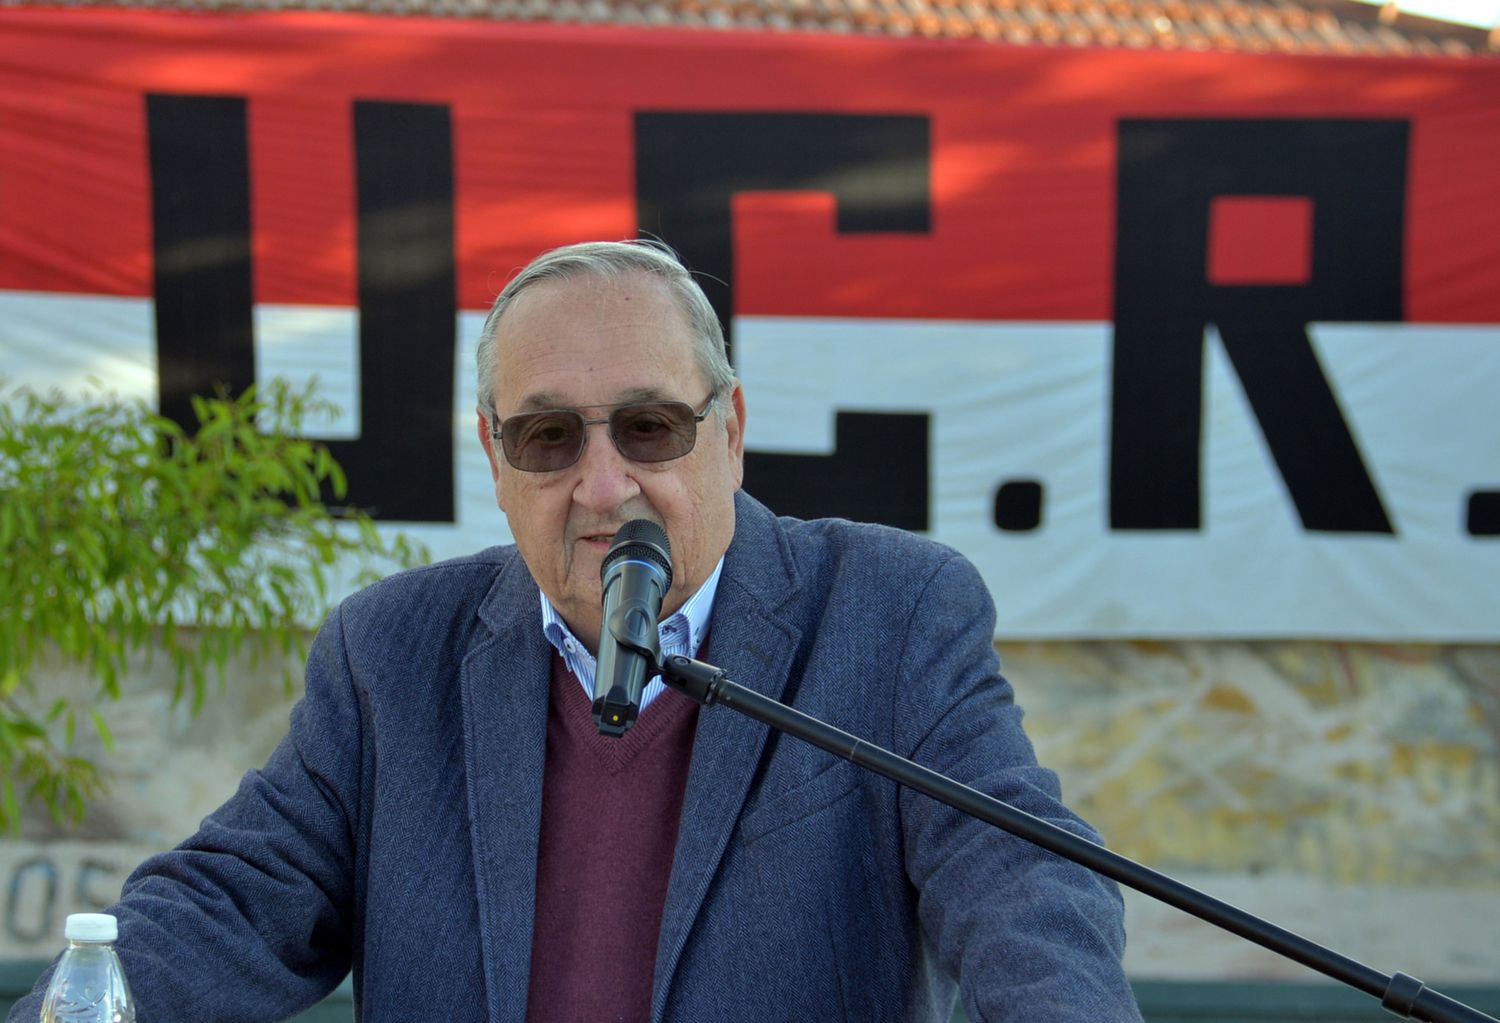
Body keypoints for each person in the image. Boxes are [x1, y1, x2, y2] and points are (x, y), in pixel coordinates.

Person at [9, 240, 1142, 1023]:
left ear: (730, 433)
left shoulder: (892, 613)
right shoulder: (390, 655)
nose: (606, 487)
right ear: (496, 460)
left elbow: (1025, 890)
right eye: (550, 437)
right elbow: (225, 911)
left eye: (649, 427)